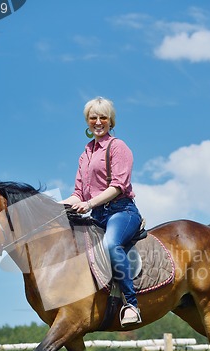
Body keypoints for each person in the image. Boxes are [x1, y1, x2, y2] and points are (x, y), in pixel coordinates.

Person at [62, 96, 142, 326]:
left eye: (103, 117)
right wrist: (50, 207)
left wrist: (88, 205)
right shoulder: (85, 153)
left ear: (111, 121)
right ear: (87, 121)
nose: (98, 122)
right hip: (97, 216)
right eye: (93, 118)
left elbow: (118, 187)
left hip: (121, 212)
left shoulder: (118, 147)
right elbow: (77, 193)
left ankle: (131, 304)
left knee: (110, 244)